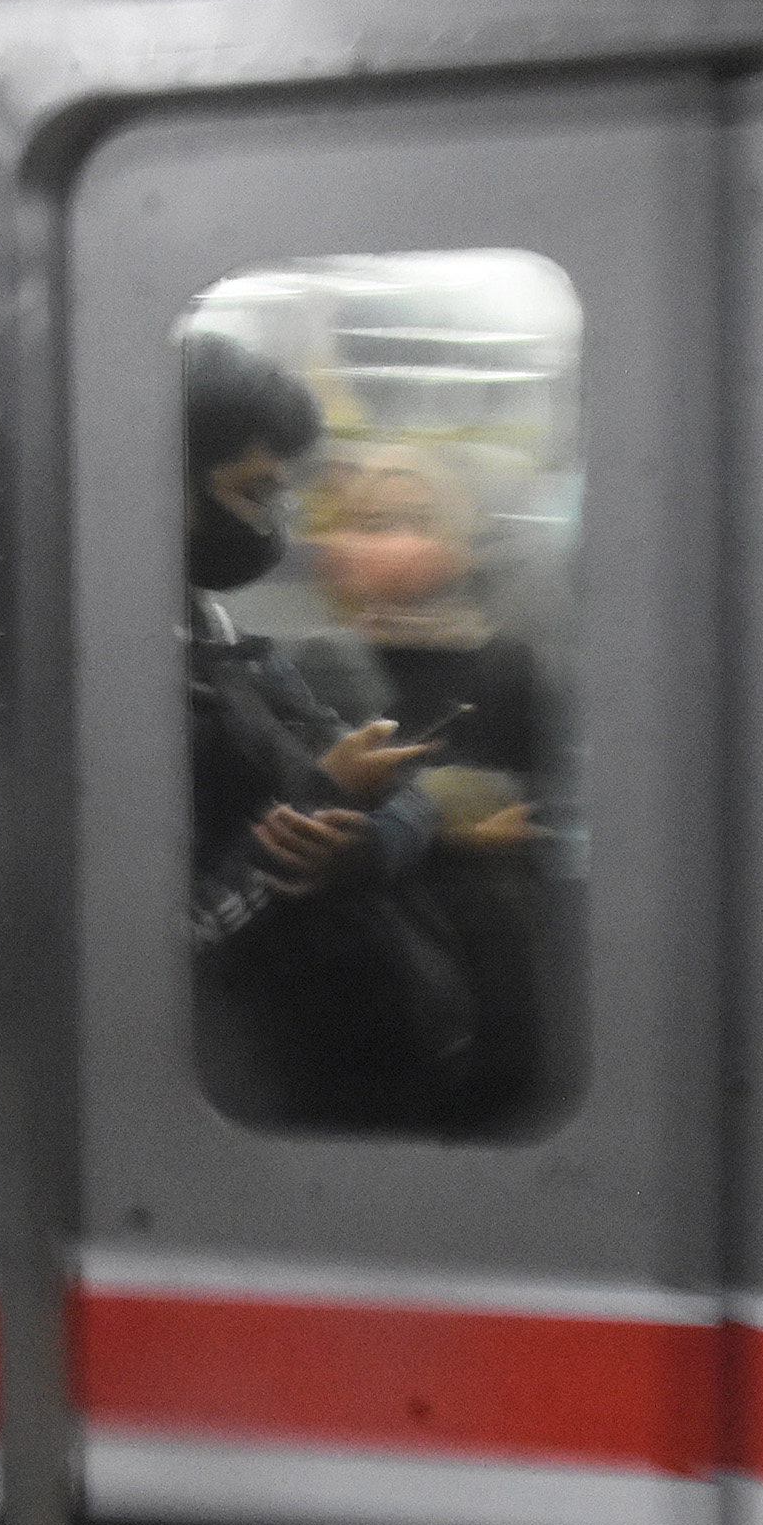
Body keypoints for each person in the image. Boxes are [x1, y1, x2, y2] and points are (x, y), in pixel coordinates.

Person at [179, 331, 459, 1129]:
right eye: (255, 492)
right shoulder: (103, 682)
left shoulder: (218, 633)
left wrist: (367, 844)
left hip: (341, 1045)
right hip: (237, 1082)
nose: (275, 524)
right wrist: (321, 799)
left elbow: (414, 797)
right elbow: (175, 936)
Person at [291, 445, 555, 1130]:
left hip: (489, 968)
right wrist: (454, 825)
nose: (394, 541)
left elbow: (537, 816)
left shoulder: (507, 664)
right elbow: (314, 828)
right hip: (364, 977)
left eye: (417, 520)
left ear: (458, 543)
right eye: (372, 522)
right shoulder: (314, 666)